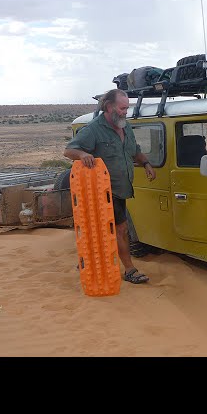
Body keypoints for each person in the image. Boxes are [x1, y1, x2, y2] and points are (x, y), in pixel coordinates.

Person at [64, 89, 156, 284]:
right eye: (123, 108)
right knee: (120, 229)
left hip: (121, 188)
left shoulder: (125, 127)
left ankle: (89, 262)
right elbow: (69, 150)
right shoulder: (94, 129)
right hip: (102, 190)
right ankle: (129, 270)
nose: (125, 112)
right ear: (109, 107)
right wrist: (82, 155)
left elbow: (134, 150)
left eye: (127, 108)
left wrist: (146, 163)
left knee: (109, 230)